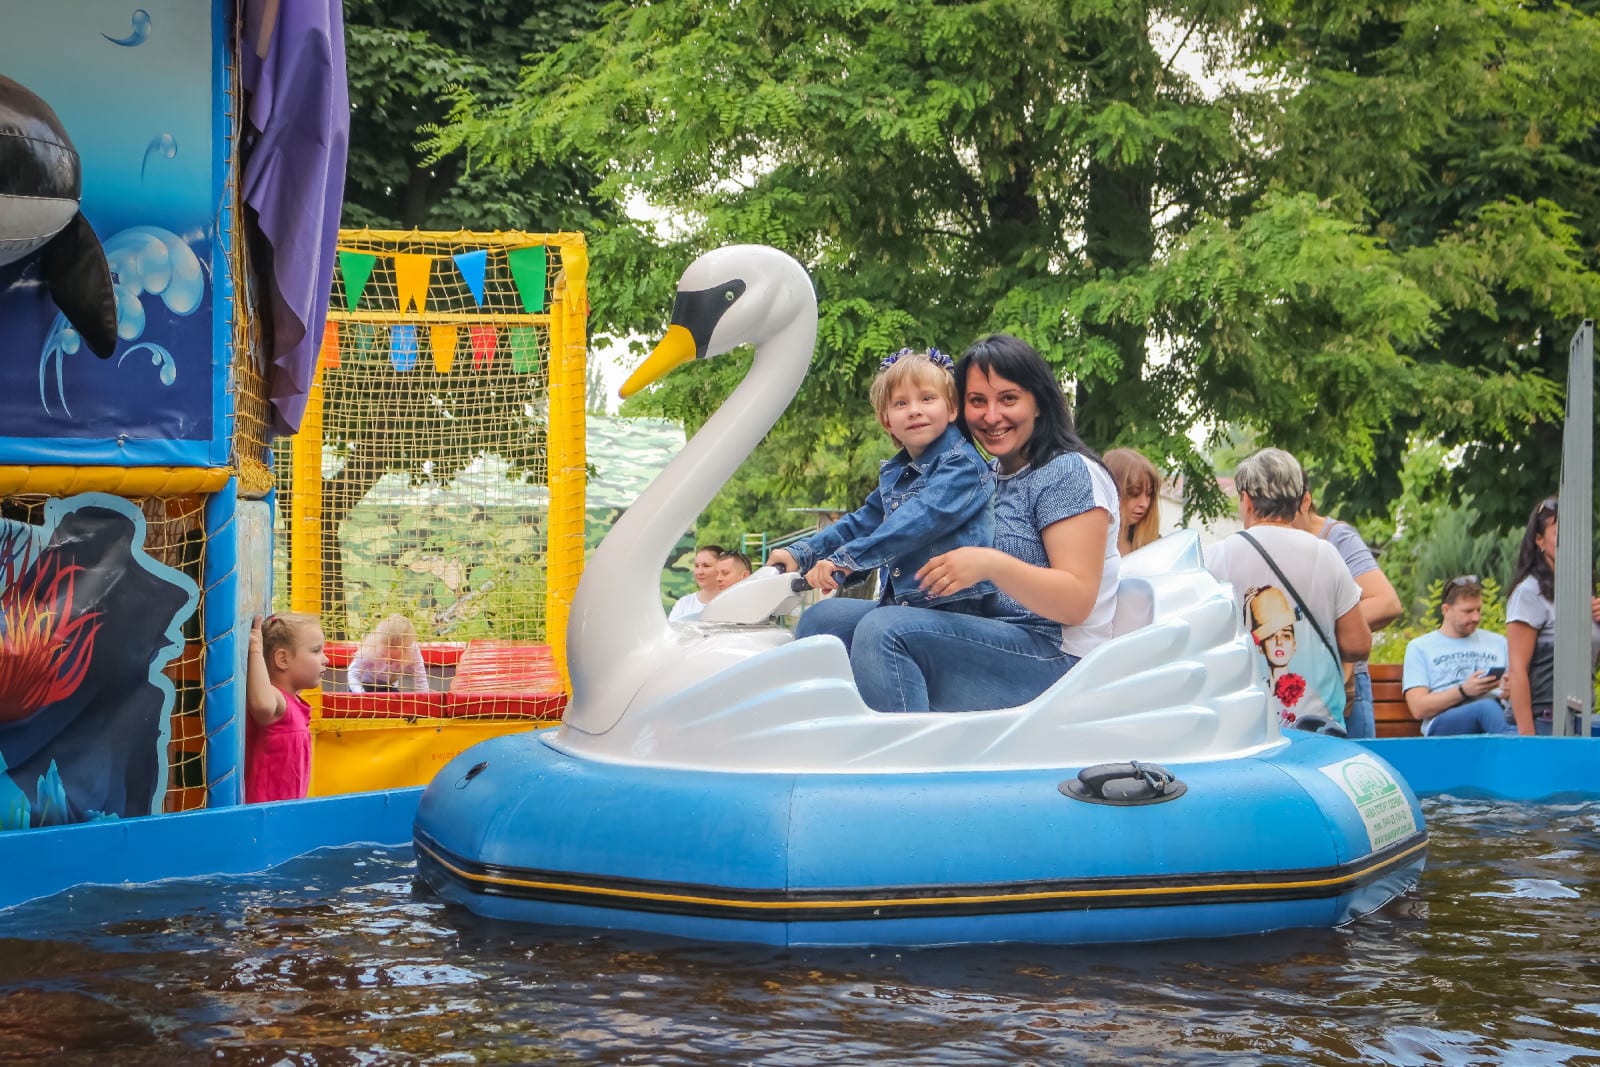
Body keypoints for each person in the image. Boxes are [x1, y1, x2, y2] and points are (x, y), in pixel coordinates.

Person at [794, 333, 1119, 713]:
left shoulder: (1066, 472)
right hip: (988, 629)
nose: (992, 416)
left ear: (1039, 403)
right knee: (822, 622)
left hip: (1054, 657)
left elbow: (1076, 602)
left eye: (1008, 399)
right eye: (977, 401)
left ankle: (908, 762)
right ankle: (832, 743)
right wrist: (802, 556)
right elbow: (875, 519)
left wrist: (988, 564)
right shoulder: (992, 472)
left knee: (884, 631)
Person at [768, 348, 995, 609]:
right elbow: (860, 524)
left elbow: (913, 523)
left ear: (952, 409)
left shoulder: (963, 465)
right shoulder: (899, 474)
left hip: (954, 609)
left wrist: (845, 560)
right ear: (887, 421)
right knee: (821, 615)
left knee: (876, 627)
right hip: (906, 606)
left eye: (927, 398)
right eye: (901, 403)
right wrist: (800, 553)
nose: (914, 410)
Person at [1205, 448, 1369, 728]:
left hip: (1243, 728)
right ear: (1297, 501)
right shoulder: (1325, 555)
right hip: (1317, 728)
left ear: (1246, 500)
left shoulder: (1215, 557)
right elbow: (1358, 644)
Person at [1292, 493, 1403, 739]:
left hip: (1343, 683)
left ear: (1305, 502)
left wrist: (1324, 625)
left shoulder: (1336, 538)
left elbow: (1387, 603)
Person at [1505, 496, 1600, 735]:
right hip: (1546, 721)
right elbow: (1517, 669)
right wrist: (1530, 741)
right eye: (1559, 533)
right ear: (1539, 540)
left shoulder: (1582, 590)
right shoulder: (1529, 593)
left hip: (1583, 718)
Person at [1402, 575, 1514, 736]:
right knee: (1486, 707)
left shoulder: (1499, 642)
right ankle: (1520, 752)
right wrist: (1464, 691)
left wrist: (1510, 691)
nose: (1476, 617)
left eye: (1478, 610)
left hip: (1495, 717)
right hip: (1444, 723)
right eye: (1468, 611)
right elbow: (1418, 708)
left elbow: (1515, 688)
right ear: (1446, 610)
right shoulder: (1420, 647)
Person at [245, 613, 327, 803]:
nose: (325, 659)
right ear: (283, 659)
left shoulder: (294, 702)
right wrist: (255, 650)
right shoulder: (277, 700)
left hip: (284, 813)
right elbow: (262, 704)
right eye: (316, 651)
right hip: (264, 817)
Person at [348, 614, 429, 693]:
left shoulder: (412, 650)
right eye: (384, 655)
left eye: (394, 659)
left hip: (390, 685)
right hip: (365, 684)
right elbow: (353, 673)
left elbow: (421, 679)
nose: (388, 662)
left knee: (397, 704)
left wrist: (423, 701)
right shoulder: (370, 648)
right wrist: (361, 694)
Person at [1104, 447, 1161, 555]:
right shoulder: (1086, 542)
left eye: (1149, 494)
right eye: (1134, 494)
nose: (1144, 504)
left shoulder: (1156, 546)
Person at [669, 543, 724, 622]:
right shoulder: (684, 604)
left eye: (706, 566)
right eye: (696, 566)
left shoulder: (732, 603)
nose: (699, 572)